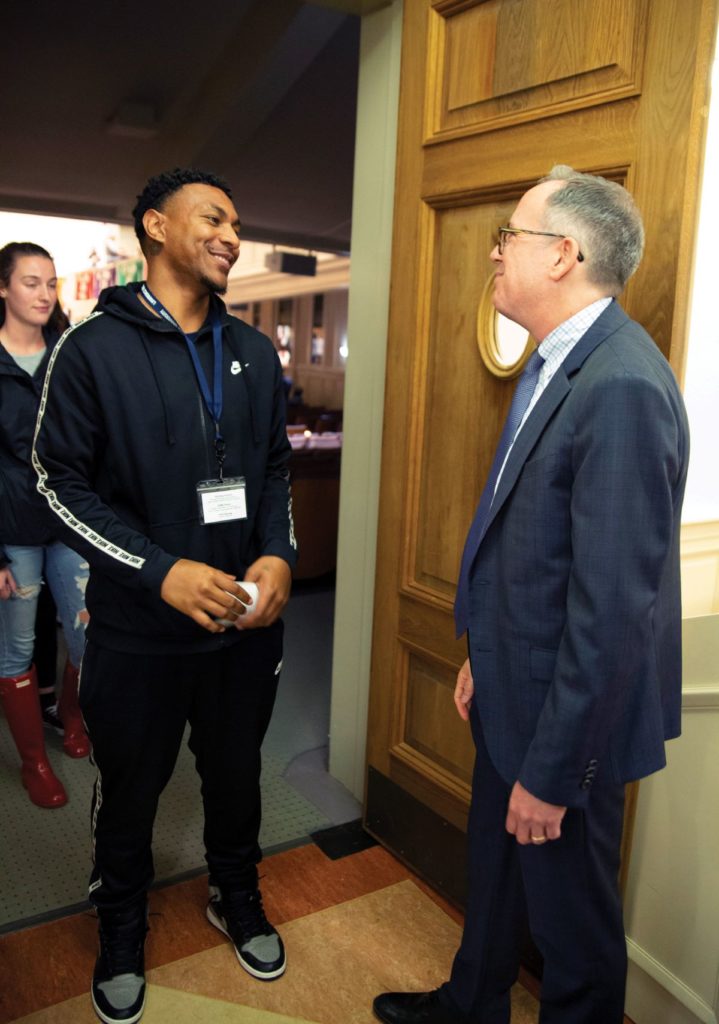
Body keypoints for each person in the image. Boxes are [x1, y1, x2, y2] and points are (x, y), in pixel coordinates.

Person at [373, 167, 689, 1024]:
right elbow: (530, 542)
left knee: (573, 936)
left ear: (563, 255)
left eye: (509, 235)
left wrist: (552, 774)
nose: (495, 252)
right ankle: (470, 1004)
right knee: (498, 874)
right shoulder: (556, 360)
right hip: (517, 685)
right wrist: (480, 648)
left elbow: (614, 610)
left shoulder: (620, 384)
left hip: (569, 723)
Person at [32, 168, 298, 1024]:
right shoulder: (92, 350)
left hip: (241, 633)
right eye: (213, 217)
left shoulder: (253, 353)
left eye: (237, 222)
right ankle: (119, 923)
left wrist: (279, 555)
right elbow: (55, 483)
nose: (231, 235)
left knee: (235, 777)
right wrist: (157, 571)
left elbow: (270, 470)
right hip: (137, 633)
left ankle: (236, 892)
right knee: (132, 785)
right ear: (154, 225)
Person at [0, 241, 90, 811]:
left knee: (86, 633)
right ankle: (34, 763)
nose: (43, 293)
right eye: (31, 282)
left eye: (51, 283)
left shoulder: (67, 354)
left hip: (70, 520)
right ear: (3, 288)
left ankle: (71, 717)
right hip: (11, 527)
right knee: (18, 648)